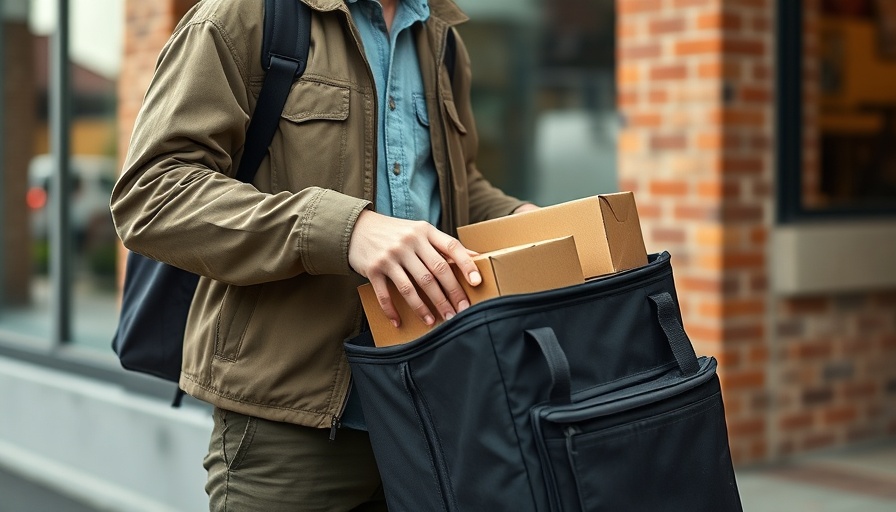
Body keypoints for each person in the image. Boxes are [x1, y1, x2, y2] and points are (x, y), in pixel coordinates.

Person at [111, 0, 536, 510]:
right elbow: (153, 194)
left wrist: (524, 220)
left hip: (433, 419)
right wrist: (346, 229)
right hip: (289, 429)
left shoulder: (442, 38)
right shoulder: (247, 15)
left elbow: (453, 185)